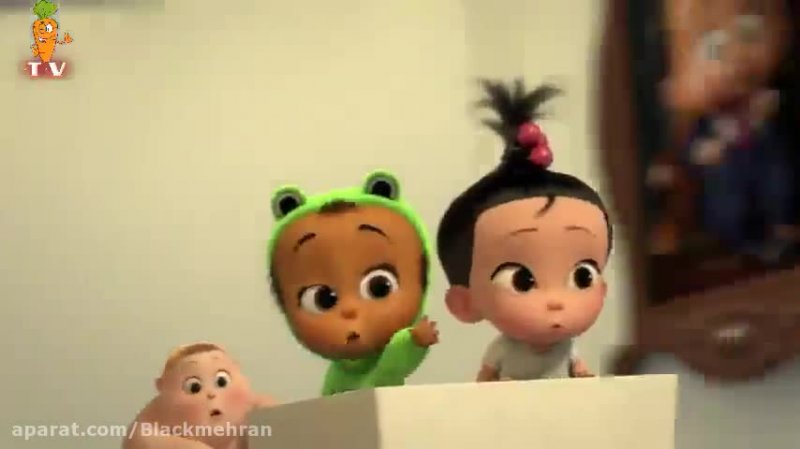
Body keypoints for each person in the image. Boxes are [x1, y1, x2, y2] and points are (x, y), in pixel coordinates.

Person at [436, 79, 612, 381]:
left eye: (583, 276)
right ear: (465, 303)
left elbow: (581, 372)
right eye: (522, 280)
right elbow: (485, 379)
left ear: (603, 289)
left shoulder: (567, 349)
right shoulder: (502, 350)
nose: (556, 301)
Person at [267, 172, 439, 395]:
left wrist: (412, 342)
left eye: (378, 287)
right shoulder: (337, 375)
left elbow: (388, 372)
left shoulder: (386, 364)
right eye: (323, 299)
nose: (349, 309)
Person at [662, 0, 794, 261]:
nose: (737, 60)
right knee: (727, 189)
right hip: (730, 186)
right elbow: (693, 152)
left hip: (764, 173)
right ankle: (744, 239)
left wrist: (764, 115)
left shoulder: (767, 100)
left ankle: (781, 228)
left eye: (748, 34)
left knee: (778, 173)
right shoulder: (707, 120)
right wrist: (706, 151)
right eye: (715, 49)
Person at [124, 342, 276, 449]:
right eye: (194, 387)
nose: (211, 394)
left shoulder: (254, 408)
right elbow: (140, 438)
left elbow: (273, 415)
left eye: (221, 381)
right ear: (163, 388)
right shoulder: (152, 421)